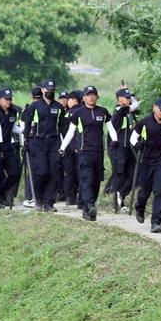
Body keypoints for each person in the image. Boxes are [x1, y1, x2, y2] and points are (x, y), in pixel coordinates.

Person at [58, 86, 111, 220]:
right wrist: (62, 148)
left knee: (96, 181)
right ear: (84, 98)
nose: (91, 97)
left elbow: (111, 128)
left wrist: (115, 141)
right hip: (84, 152)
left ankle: (88, 210)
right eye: (88, 95)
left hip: (99, 152)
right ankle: (89, 204)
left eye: (93, 95)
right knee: (87, 179)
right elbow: (70, 132)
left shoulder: (102, 112)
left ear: (97, 97)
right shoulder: (78, 113)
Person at [130, 98, 161, 232]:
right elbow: (132, 138)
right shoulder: (144, 122)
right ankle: (140, 206)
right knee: (144, 191)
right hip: (145, 161)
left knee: (160, 191)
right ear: (154, 107)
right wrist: (138, 144)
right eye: (160, 109)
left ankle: (156, 222)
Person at [22, 82, 62, 212]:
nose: (51, 91)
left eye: (53, 89)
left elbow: (62, 126)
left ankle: (49, 202)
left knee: (54, 172)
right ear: (43, 90)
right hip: (38, 143)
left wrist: (63, 145)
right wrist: (26, 140)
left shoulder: (58, 107)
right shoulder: (34, 106)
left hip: (54, 142)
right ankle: (38, 198)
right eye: (48, 89)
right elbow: (27, 124)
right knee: (42, 171)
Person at [105, 88, 139, 212]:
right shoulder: (120, 110)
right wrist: (133, 99)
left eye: (129, 97)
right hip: (118, 149)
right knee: (120, 174)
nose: (129, 99)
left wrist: (128, 93)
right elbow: (136, 104)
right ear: (119, 100)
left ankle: (121, 194)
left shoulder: (127, 112)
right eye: (126, 97)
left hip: (128, 148)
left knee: (134, 174)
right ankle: (117, 201)